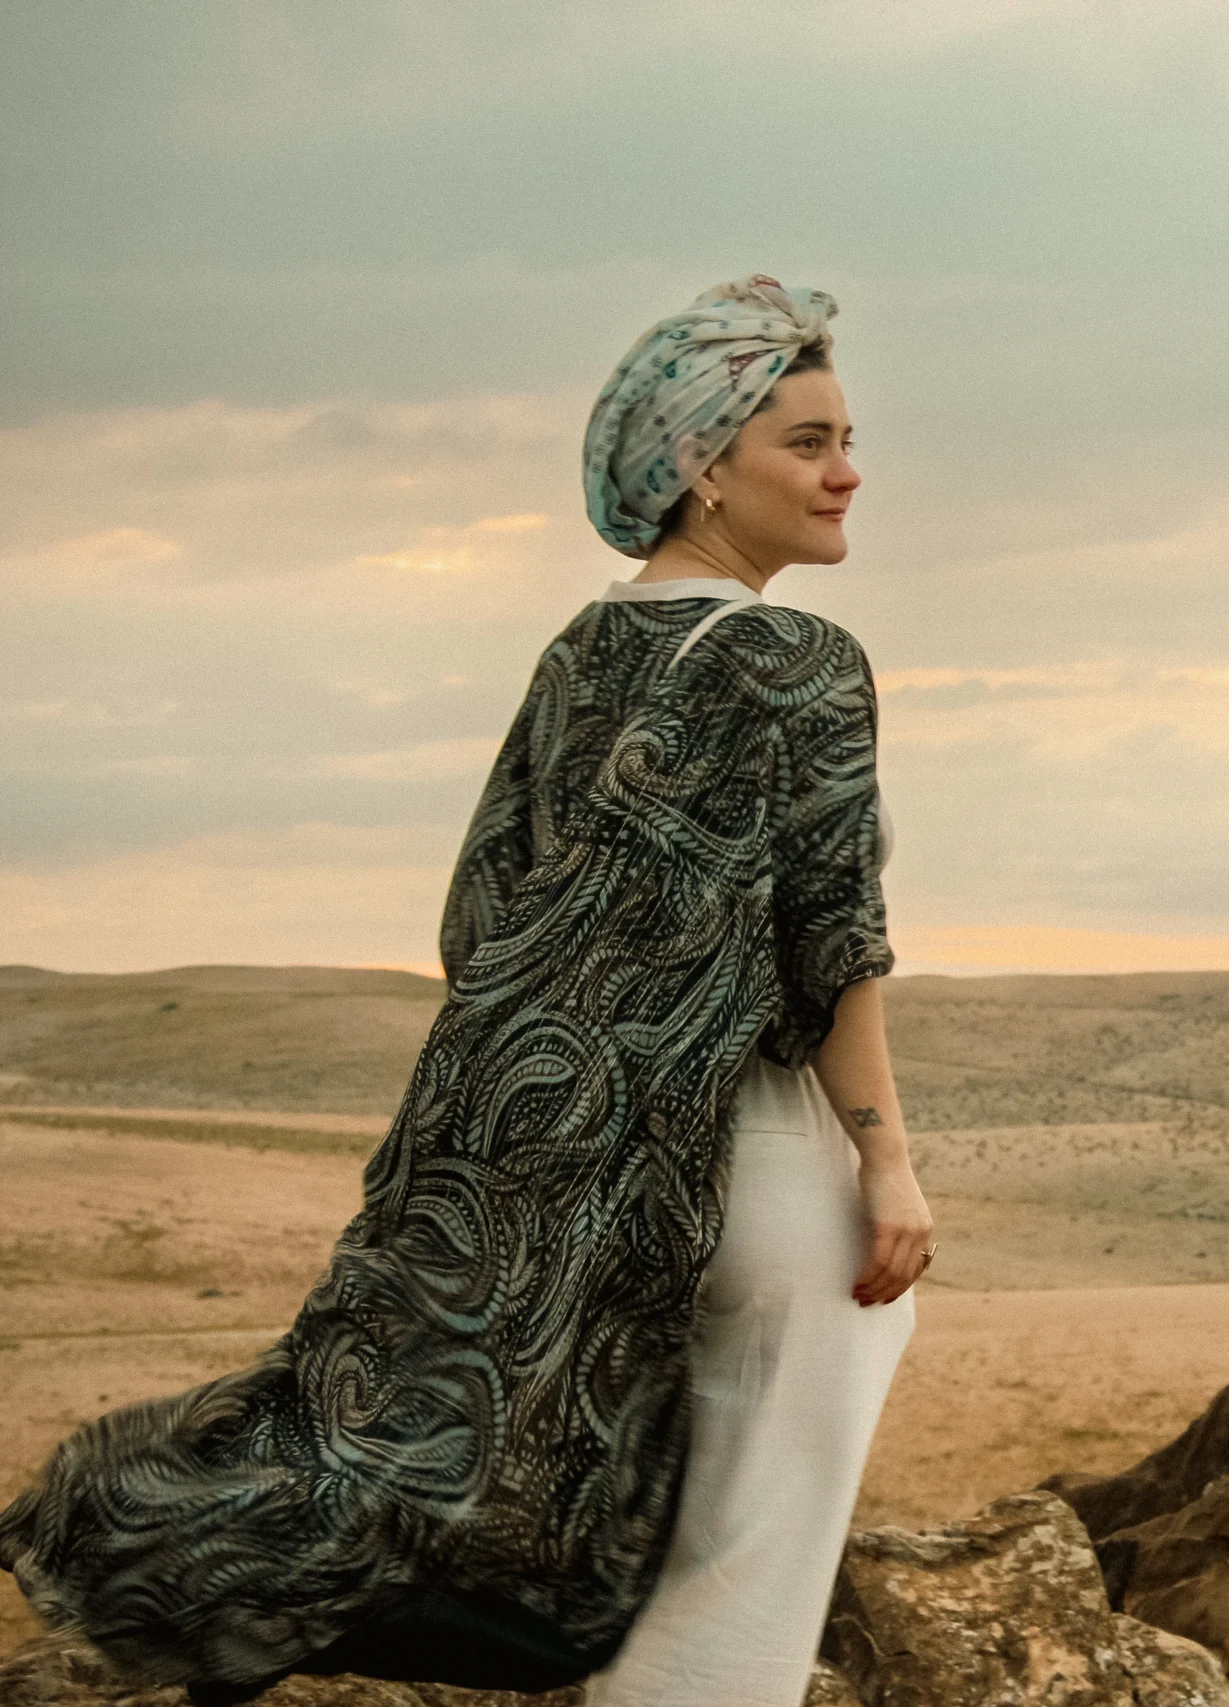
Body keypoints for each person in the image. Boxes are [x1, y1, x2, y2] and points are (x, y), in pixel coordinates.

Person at [0, 276, 932, 1707]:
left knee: (649, 1529)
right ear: (701, 466)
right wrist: (886, 1154)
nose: (847, 469)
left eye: (847, 436)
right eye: (807, 442)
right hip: (750, 1156)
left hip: (590, 1178)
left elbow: (479, 911)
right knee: (748, 1553)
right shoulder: (802, 658)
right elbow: (832, 937)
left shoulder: (580, 650)